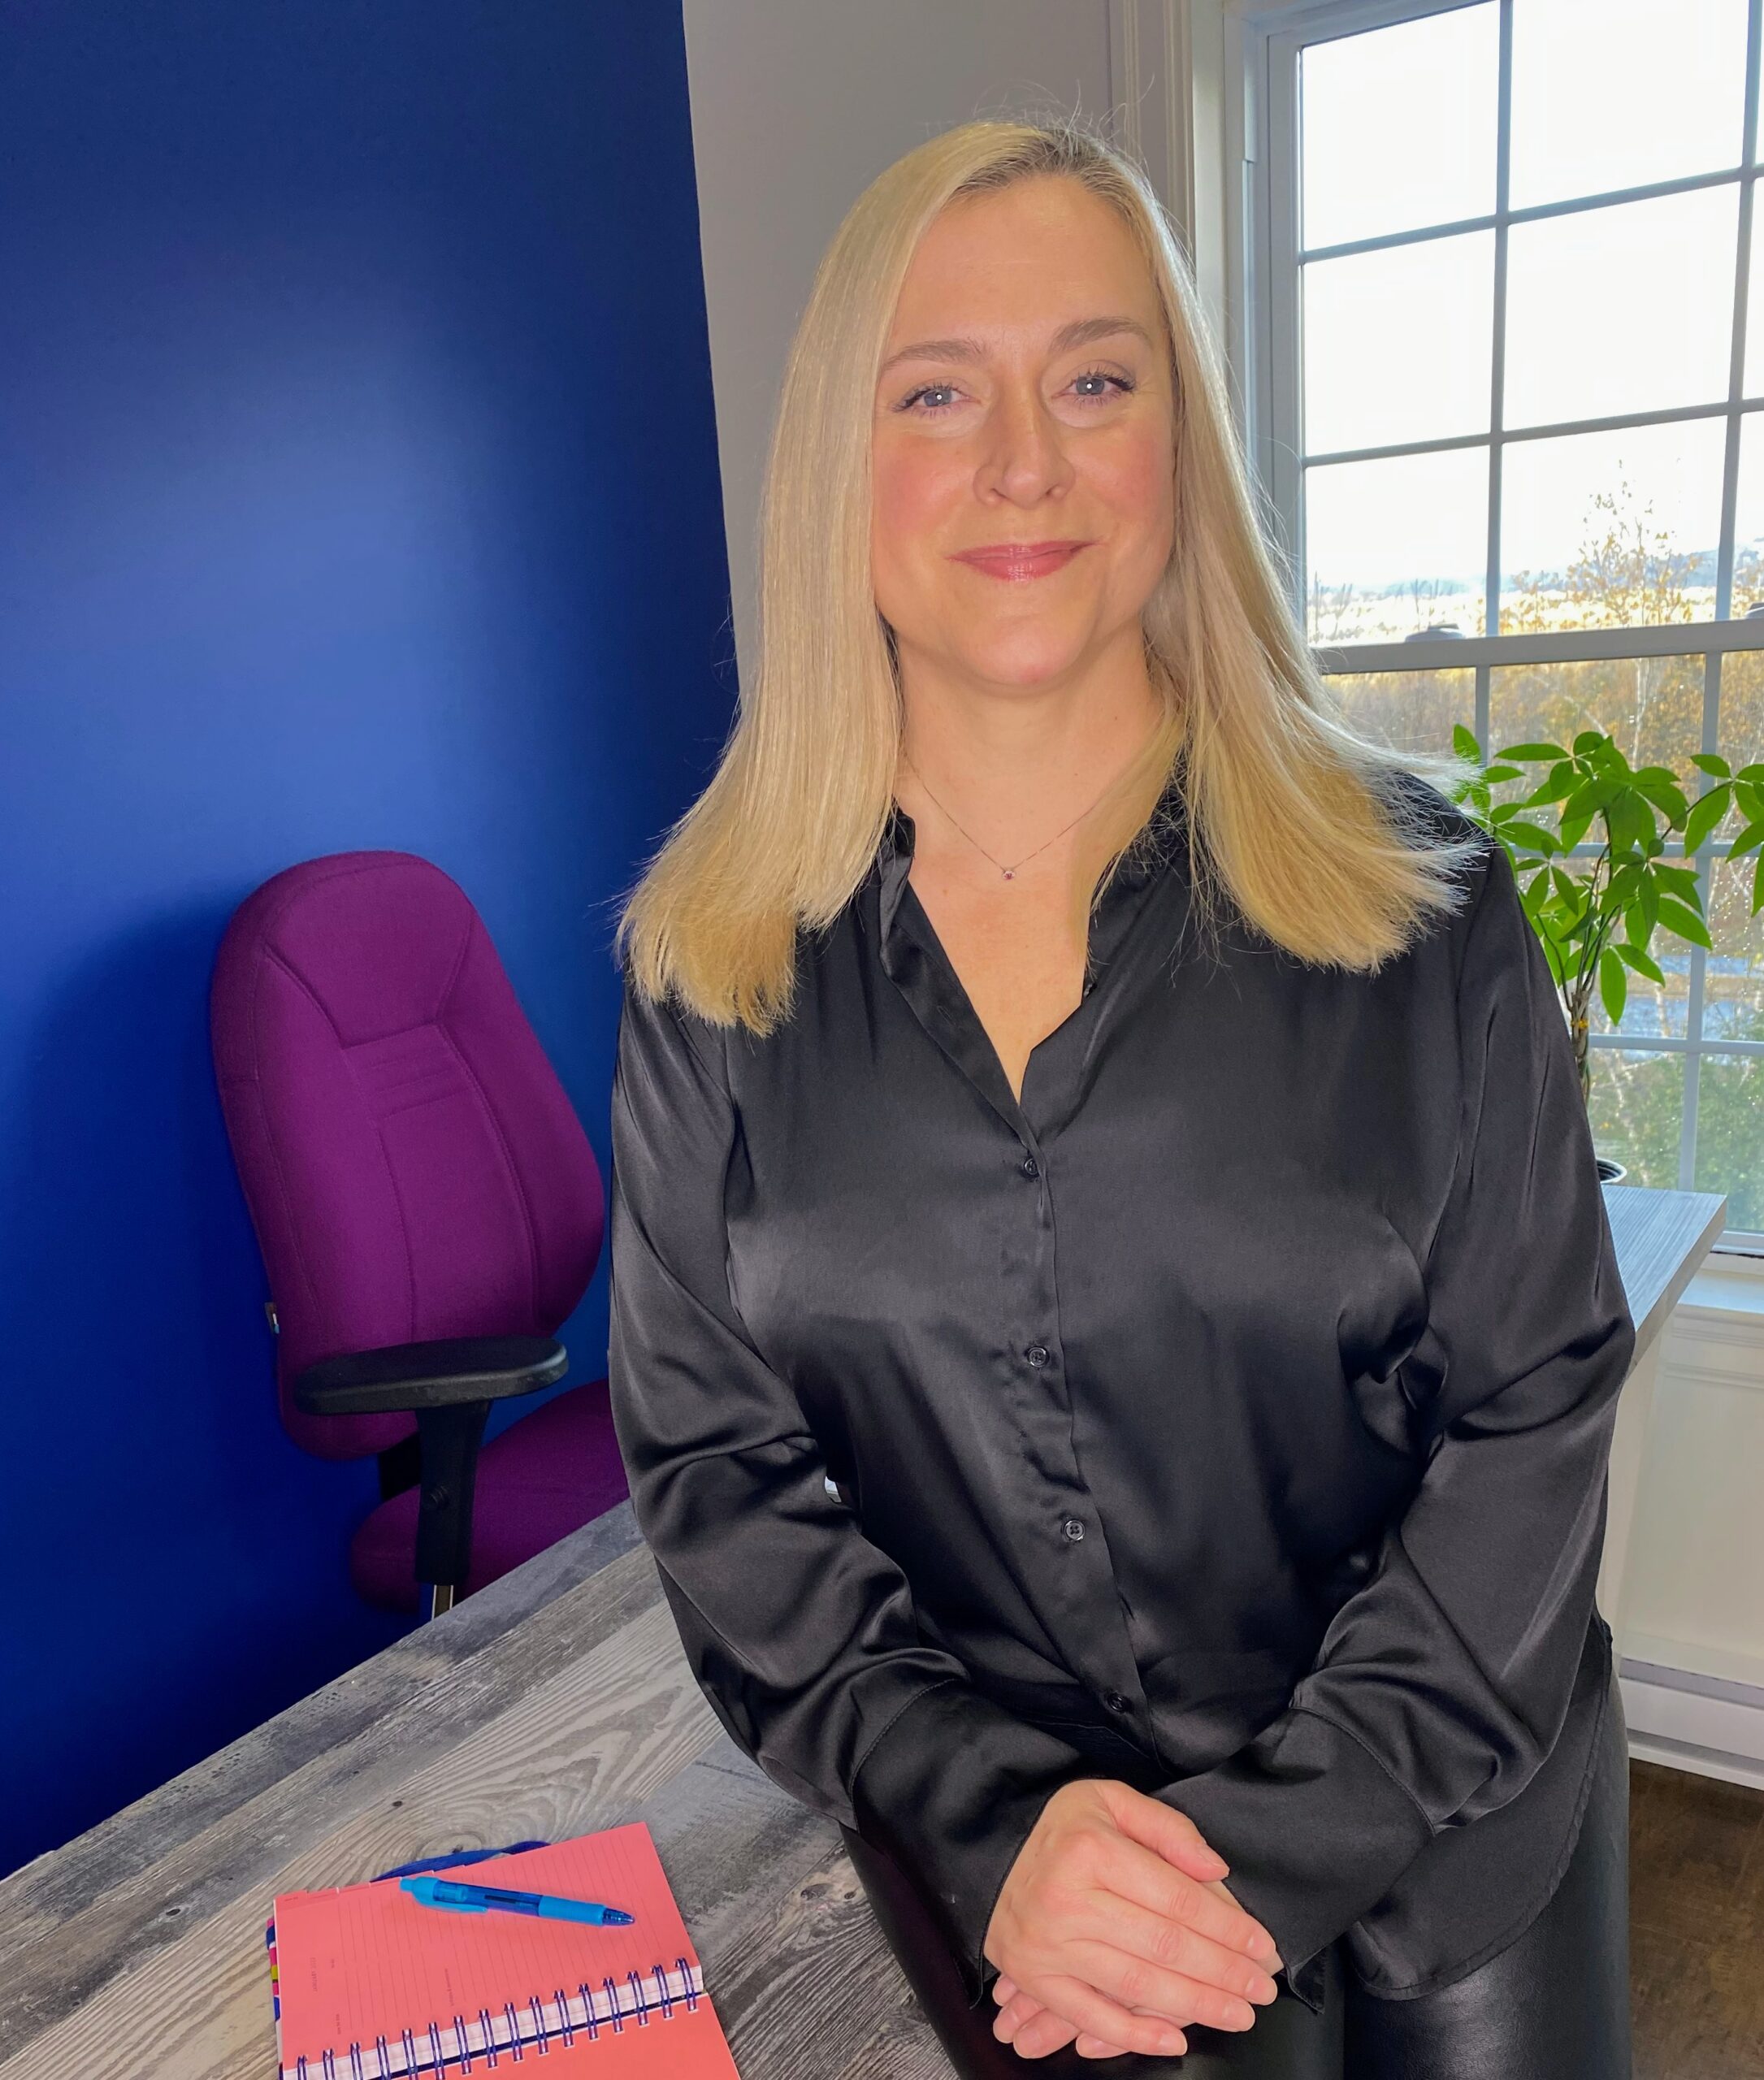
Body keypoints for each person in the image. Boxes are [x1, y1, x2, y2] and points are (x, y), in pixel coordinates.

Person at [605, 117, 1636, 2077]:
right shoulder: (707, 967)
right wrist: (1003, 1824)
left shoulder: (1427, 910)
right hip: (1040, 1878)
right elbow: (723, 1486)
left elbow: (1532, 1414)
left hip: (1447, 1819)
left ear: (1181, 446)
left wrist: (1264, 1849)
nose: (1023, 461)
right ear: (842, 457)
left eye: (1094, 378)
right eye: (937, 392)